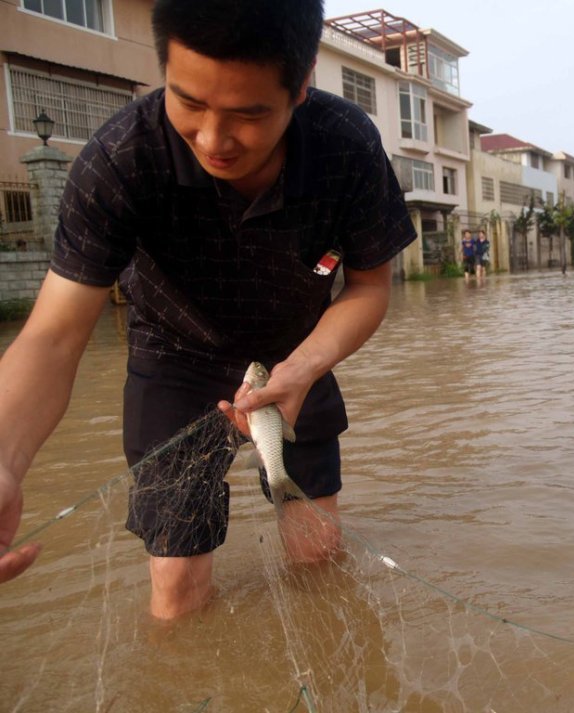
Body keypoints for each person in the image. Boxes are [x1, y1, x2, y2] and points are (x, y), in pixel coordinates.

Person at [0, 0, 416, 619]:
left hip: (297, 355)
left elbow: (368, 288)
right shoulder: (120, 161)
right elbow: (56, 335)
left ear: (300, 89)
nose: (214, 140)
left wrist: (301, 369)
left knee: (319, 557)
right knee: (176, 586)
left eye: (248, 114)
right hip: (173, 358)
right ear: (163, 66)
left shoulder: (345, 145)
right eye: (188, 102)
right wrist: (5, 463)